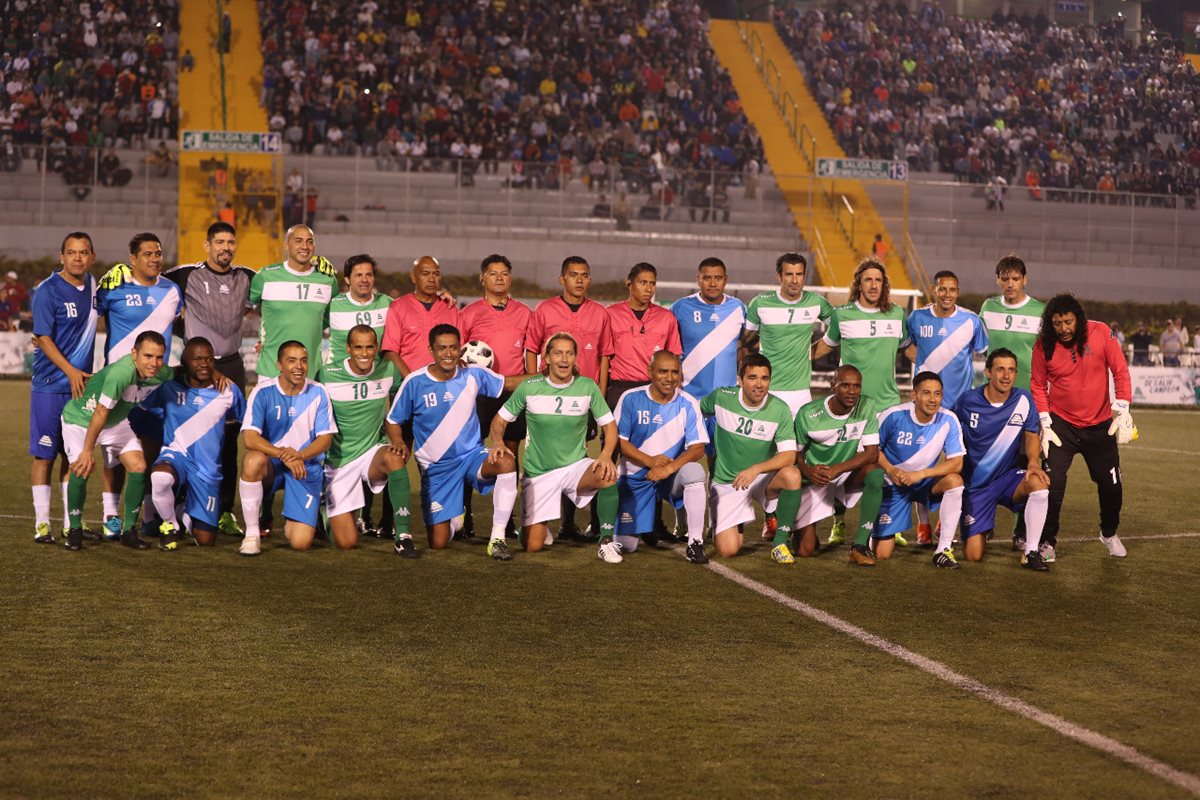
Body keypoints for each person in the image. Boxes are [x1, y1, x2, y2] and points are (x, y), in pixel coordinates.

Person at [389, 325, 522, 559]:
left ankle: (497, 538)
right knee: (438, 542)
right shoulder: (414, 382)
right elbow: (392, 420)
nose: (448, 354)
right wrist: (398, 440)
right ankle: (456, 519)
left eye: (453, 348)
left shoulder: (473, 374)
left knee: (506, 462)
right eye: (441, 348)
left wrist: (548, 375)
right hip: (437, 469)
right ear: (431, 350)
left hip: (471, 457)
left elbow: (510, 383)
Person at [490, 332, 619, 559]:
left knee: (606, 473)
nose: (564, 359)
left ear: (575, 358)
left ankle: (606, 541)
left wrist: (607, 454)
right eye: (558, 353)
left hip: (574, 468)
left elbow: (609, 426)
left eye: (569, 353)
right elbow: (499, 420)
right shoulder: (530, 387)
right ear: (546, 358)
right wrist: (498, 442)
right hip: (540, 473)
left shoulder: (587, 386)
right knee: (532, 545)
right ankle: (531, 527)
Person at [164, 221, 255, 536]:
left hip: (230, 366)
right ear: (207, 245)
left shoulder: (247, 277)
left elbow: (281, 292)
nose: (225, 248)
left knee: (229, 442)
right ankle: (180, 504)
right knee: (187, 437)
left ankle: (225, 510)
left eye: (230, 242)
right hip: (195, 368)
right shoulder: (186, 274)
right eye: (219, 242)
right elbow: (150, 286)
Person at [813, 257, 909, 547]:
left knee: (889, 467)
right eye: (867, 279)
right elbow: (821, 349)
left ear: (884, 285)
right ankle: (838, 523)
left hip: (889, 403)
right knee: (843, 464)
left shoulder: (897, 314)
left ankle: (890, 524)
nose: (873, 285)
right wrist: (787, 361)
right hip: (852, 406)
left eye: (878, 280)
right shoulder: (843, 315)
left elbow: (911, 350)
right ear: (858, 284)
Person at [1031, 294, 1134, 561]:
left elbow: (1120, 371)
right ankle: (1047, 542)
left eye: (1068, 322)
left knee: (1111, 487)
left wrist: (1122, 408)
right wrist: (1045, 420)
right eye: (1057, 323)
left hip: (1099, 426)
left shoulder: (1100, 332)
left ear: (1079, 319)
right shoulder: (1043, 345)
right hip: (1060, 426)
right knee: (1051, 485)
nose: (1063, 329)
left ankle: (1109, 533)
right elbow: (1038, 385)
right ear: (1049, 323)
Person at [96, 232, 184, 536]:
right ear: (132, 259)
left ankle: (147, 518)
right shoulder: (114, 288)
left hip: (156, 387)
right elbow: (89, 316)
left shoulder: (173, 291)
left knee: (149, 451)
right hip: (119, 386)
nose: (155, 259)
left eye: (158, 253)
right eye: (147, 254)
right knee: (113, 455)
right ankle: (110, 516)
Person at [524, 256, 615, 541]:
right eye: (573, 275)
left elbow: (603, 357)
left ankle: (569, 523)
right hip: (548, 399)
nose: (579, 280)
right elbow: (531, 348)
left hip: (582, 398)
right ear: (561, 279)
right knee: (546, 453)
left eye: (584, 275)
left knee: (577, 455)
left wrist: (597, 396)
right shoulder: (545, 309)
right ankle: (541, 518)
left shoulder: (600, 313)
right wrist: (533, 387)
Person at [60, 331, 175, 551]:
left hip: (116, 422)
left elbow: (181, 371)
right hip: (81, 420)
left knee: (139, 466)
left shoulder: (161, 372)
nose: (154, 363)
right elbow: (101, 412)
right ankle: (74, 529)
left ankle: (128, 531)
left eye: (159, 357)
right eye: (148, 356)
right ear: (134, 354)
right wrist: (87, 451)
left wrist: (216, 374)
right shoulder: (122, 373)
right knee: (81, 469)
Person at [316, 325, 413, 553]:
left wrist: (397, 439)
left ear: (376, 348)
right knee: (346, 542)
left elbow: (405, 397)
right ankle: (324, 511)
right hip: (339, 462)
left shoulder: (387, 369)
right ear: (348, 348)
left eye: (370, 347)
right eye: (358, 347)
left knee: (395, 457)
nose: (364, 353)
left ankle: (403, 536)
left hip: (371, 452)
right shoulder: (327, 375)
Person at [143, 337, 246, 550]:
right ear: (185, 363)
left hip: (207, 469)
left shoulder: (228, 391)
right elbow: (144, 409)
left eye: (208, 359)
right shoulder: (169, 388)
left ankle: (181, 507)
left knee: (205, 540)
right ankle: (170, 525)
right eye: (197, 359)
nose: (204, 364)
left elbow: (245, 420)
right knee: (160, 476)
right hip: (176, 456)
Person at [952, 349, 1050, 570]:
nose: (1006, 376)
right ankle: (983, 526)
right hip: (976, 486)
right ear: (988, 372)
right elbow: (949, 430)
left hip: (1007, 478)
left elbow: (1032, 434)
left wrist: (1033, 463)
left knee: (1039, 484)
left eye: (1011, 370)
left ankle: (1031, 551)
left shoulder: (1023, 399)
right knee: (973, 555)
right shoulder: (967, 401)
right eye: (1000, 369)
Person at [30, 233, 99, 544]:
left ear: (91, 257)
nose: (77, 258)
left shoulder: (95, 288)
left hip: (79, 387)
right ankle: (42, 523)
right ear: (61, 256)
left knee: (73, 458)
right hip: (49, 385)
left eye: (83, 252)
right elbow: (43, 337)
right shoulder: (47, 291)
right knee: (44, 454)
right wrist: (70, 370)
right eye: (71, 252)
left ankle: (73, 522)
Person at [700, 354, 803, 563]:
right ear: (739, 380)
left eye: (764, 378)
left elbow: (789, 455)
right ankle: (734, 519)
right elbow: (694, 412)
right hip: (729, 482)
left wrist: (756, 469)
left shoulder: (780, 409)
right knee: (727, 550)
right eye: (752, 377)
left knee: (792, 475)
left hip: (761, 477)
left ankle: (779, 543)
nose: (759, 384)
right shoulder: (721, 397)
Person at [237, 340, 336, 556]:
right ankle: (252, 533)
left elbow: (325, 440)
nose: (298, 367)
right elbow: (250, 439)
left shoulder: (318, 392)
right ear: (279, 364)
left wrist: (299, 455)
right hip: (273, 464)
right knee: (253, 460)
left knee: (300, 542)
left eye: (303, 361)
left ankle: (304, 514)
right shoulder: (262, 391)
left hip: (304, 464)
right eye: (291, 361)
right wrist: (285, 455)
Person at [458, 254, 533, 539]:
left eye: (504, 273)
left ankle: (508, 518)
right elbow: (458, 356)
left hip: (512, 393)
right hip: (477, 394)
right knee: (468, 452)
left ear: (510, 278)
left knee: (511, 456)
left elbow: (531, 356)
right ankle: (464, 515)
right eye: (493, 273)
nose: (499, 278)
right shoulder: (469, 313)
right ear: (482, 278)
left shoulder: (525, 313)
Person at [613, 351, 709, 563]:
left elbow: (697, 448)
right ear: (650, 372)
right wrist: (649, 461)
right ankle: (643, 524)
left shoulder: (688, 403)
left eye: (675, 372)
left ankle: (695, 543)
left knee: (695, 472)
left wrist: (667, 469)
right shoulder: (630, 399)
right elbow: (619, 441)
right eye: (663, 371)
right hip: (636, 479)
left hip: (669, 477)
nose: (669, 378)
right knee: (626, 545)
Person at [791, 365, 885, 566]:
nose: (852, 391)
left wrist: (838, 469)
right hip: (814, 479)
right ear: (833, 385)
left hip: (844, 475)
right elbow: (794, 454)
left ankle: (860, 546)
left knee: (875, 473)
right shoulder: (808, 414)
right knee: (804, 550)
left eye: (857, 386)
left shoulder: (866, 406)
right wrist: (808, 471)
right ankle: (801, 529)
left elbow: (872, 453)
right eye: (845, 386)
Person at [874, 372, 965, 567]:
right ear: (914, 395)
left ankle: (943, 549)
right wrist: (890, 470)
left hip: (924, 482)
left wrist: (921, 474)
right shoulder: (893, 415)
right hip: (894, 485)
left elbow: (957, 463)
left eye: (938, 394)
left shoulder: (948, 420)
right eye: (926, 393)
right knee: (881, 553)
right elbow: (873, 450)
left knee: (955, 481)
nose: (933, 399)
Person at [743, 253, 833, 418]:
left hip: (800, 392)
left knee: (798, 443)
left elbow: (840, 328)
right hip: (766, 388)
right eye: (789, 274)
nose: (794, 280)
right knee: (763, 442)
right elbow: (744, 344)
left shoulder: (816, 302)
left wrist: (813, 352)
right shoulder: (760, 303)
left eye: (799, 274)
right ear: (779, 276)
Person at [248, 225, 339, 384]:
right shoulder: (265, 276)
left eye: (309, 242)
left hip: (311, 372)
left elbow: (327, 319)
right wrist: (265, 337)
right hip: (271, 371)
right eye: (298, 241)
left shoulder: (328, 280)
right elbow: (244, 307)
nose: (305, 246)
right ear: (286, 245)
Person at [905, 271, 988, 411]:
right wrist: (926, 363)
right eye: (942, 289)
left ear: (958, 292)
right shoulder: (917, 317)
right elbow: (906, 347)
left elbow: (986, 353)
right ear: (933, 290)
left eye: (952, 290)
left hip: (961, 404)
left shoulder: (971, 320)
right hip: (924, 403)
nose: (947, 295)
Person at [604, 263, 682, 410]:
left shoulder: (667, 317)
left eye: (652, 283)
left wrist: (675, 393)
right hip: (619, 389)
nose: (648, 289)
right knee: (617, 434)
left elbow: (675, 359)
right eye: (643, 283)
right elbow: (603, 358)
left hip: (654, 388)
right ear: (629, 284)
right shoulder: (610, 314)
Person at [671, 257, 746, 408]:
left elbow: (745, 348)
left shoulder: (738, 308)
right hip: (689, 398)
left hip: (727, 400)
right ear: (698, 279)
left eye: (717, 278)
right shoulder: (681, 307)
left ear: (725, 280)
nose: (712, 284)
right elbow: (670, 350)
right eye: (707, 278)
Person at [380, 255, 460, 377]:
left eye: (436, 274)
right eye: (425, 274)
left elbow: (459, 349)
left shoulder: (450, 308)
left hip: (447, 385)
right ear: (413, 277)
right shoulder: (398, 307)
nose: (431, 279)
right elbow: (390, 351)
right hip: (410, 384)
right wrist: (412, 381)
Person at [978, 254, 1044, 390]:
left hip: (1027, 391)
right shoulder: (988, 307)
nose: (1010, 284)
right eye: (1005, 279)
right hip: (992, 389)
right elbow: (980, 342)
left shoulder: (1040, 311)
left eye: (1015, 279)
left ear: (1025, 280)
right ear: (997, 280)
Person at [327, 254, 391, 362]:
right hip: (339, 376)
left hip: (376, 376)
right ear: (347, 280)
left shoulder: (387, 303)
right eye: (359, 275)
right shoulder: (332, 305)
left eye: (369, 275)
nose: (364, 280)